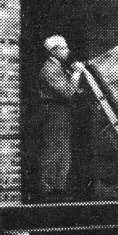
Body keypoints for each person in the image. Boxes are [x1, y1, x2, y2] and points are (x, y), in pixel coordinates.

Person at [35, 35, 86, 201]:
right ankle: (48, 189)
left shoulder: (59, 67)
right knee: (54, 148)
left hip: (61, 111)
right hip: (54, 111)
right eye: (63, 48)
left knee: (63, 149)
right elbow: (66, 92)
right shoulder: (50, 69)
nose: (67, 51)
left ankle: (59, 187)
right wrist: (77, 74)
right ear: (54, 51)